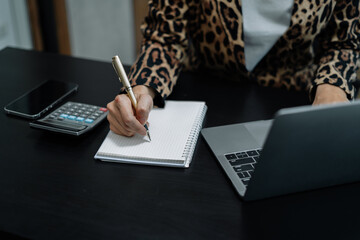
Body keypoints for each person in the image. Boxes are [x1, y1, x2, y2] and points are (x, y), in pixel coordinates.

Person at [107, 0, 360, 137]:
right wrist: (141, 91)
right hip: (207, 98)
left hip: (294, 101)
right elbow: (164, 37)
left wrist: (332, 90)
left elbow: (344, 42)